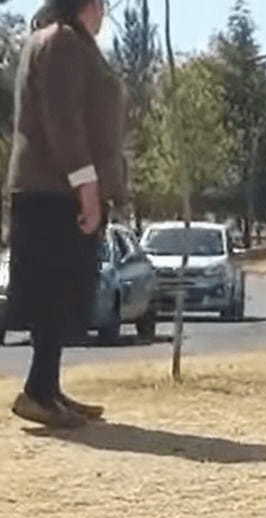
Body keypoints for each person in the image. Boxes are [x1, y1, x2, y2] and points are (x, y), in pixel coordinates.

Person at [7, 0, 126, 428]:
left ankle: (47, 388)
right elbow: (64, 122)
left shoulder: (69, 43)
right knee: (50, 292)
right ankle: (38, 391)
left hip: (58, 191)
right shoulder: (60, 43)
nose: (104, 12)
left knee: (62, 293)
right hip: (53, 193)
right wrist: (87, 187)